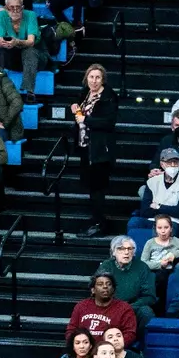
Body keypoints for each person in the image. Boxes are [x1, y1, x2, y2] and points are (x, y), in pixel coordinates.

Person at [70, 63, 116, 238]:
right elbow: (79, 112)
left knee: (98, 189)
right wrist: (75, 109)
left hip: (100, 150)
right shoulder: (85, 93)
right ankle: (95, 220)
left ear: (103, 79)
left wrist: (85, 119)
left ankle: (100, 224)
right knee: (91, 188)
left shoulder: (109, 97)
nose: (94, 81)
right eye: (91, 77)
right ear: (86, 78)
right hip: (85, 148)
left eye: (97, 77)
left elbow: (108, 123)